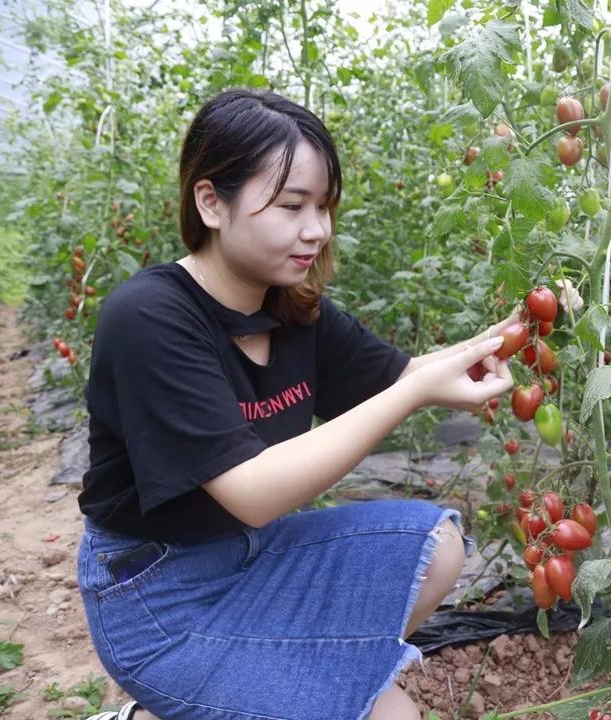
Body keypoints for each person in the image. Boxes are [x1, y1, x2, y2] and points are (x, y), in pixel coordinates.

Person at [76, 88, 516, 720]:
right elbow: (252, 491)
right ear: (211, 203)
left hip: (258, 555)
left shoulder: (291, 307)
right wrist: (416, 392)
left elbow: (405, 375)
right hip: (158, 600)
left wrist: (513, 333)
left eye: (324, 206)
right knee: (394, 715)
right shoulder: (150, 317)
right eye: (291, 206)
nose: (318, 230)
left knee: (436, 544)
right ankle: (169, 703)